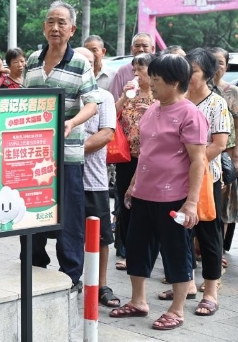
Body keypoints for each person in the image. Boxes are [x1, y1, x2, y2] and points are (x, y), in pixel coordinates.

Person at [110, 54, 208, 331]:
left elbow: (199, 160)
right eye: (149, 78)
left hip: (174, 197)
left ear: (175, 82)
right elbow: (146, 153)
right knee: (137, 247)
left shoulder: (190, 114)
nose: (150, 84)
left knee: (176, 251)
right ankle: (138, 301)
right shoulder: (153, 109)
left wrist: (191, 203)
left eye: (156, 80)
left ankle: (177, 309)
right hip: (144, 193)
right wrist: (132, 185)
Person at [23, 1, 101, 291]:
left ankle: (71, 275)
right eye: (50, 22)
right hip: (33, 154)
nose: (55, 28)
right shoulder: (32, 60)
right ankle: (32, 265)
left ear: (72, 29)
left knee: (68, 216)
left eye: (61, 23)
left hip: (67, 154)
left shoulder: (80, 62)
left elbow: (92, 104)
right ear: (44, 26)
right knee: (31, 211)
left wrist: (71, 122)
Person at [176, 48, 229, 315]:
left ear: (207, 75)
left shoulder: (216, 103)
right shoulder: (178, 99)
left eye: (193, 71)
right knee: (181, 235)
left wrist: (189, 165)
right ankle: (186, 285)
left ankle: (210, 291)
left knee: (208, 238)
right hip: (176, 181)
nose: (188, 76)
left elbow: (219, 144)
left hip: (207, 180)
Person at [75, 47, 118, 307]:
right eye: (81, 63)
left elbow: (106, 135)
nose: (86, 68)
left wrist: (72, 151)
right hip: (64, 179)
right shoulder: (67, 96)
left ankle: (102, 284)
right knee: (70, 234)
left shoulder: (104, 97)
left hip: (94, 180)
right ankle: (73, 278)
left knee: (101, 236)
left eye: (91, 63)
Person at [113, 53, 156, 272]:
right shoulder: (131, 93)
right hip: (127, 158)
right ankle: (130, 253)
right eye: (135, 70)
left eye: (142, 69)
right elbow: (112, 115)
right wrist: (123, 96)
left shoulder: (160, 97)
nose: (137, 74)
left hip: (151, 161)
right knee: (127, 205)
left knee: (148, 207)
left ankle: (149, 252)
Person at [210, 47, 238, 254]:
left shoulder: (232, 92)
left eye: (220, 62)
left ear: (226, 66)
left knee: (225, 206)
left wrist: (235, 157)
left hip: (226, 155)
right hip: (205, 154)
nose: (216, 66)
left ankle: (218, 252)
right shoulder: (197, 89)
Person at [109, 33, 155, 101]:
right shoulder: (123, 71)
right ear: (131, 48)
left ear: (152, 48)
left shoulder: (160, 70)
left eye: (145, 46)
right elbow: (114, 100)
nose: (141, 49)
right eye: (137, 46)